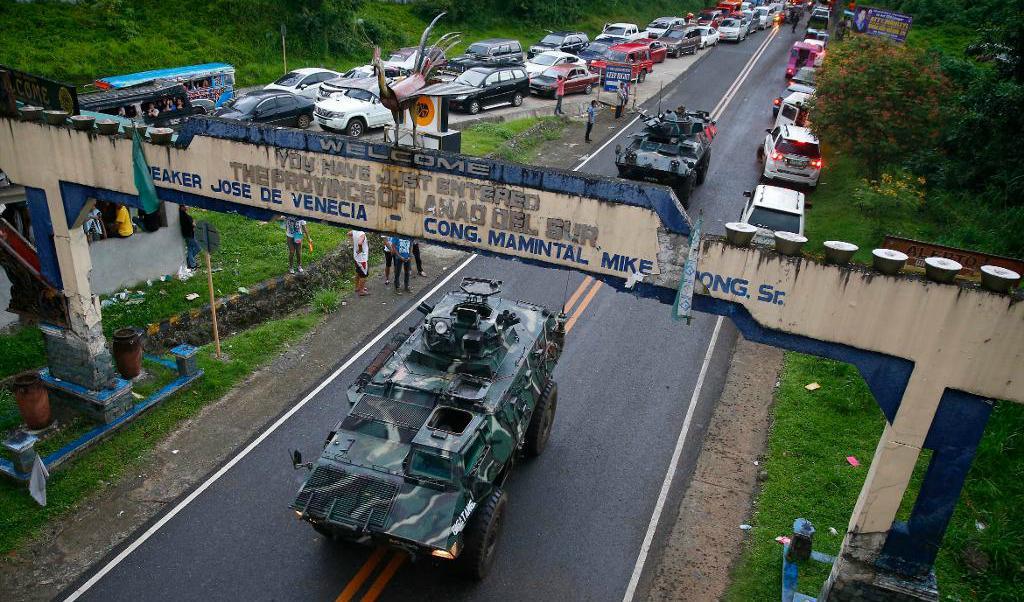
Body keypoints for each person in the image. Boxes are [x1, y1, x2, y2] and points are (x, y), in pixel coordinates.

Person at [350, 229, 370, 296]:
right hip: (362, 259)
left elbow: (349, 234)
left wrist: (352, 243)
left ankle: (357, 287)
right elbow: (360, 243)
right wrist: (360, 249)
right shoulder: (362, 234)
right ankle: (361, 291)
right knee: (363, 275)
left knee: (358, 272)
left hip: (356, 257)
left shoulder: (354, 231)